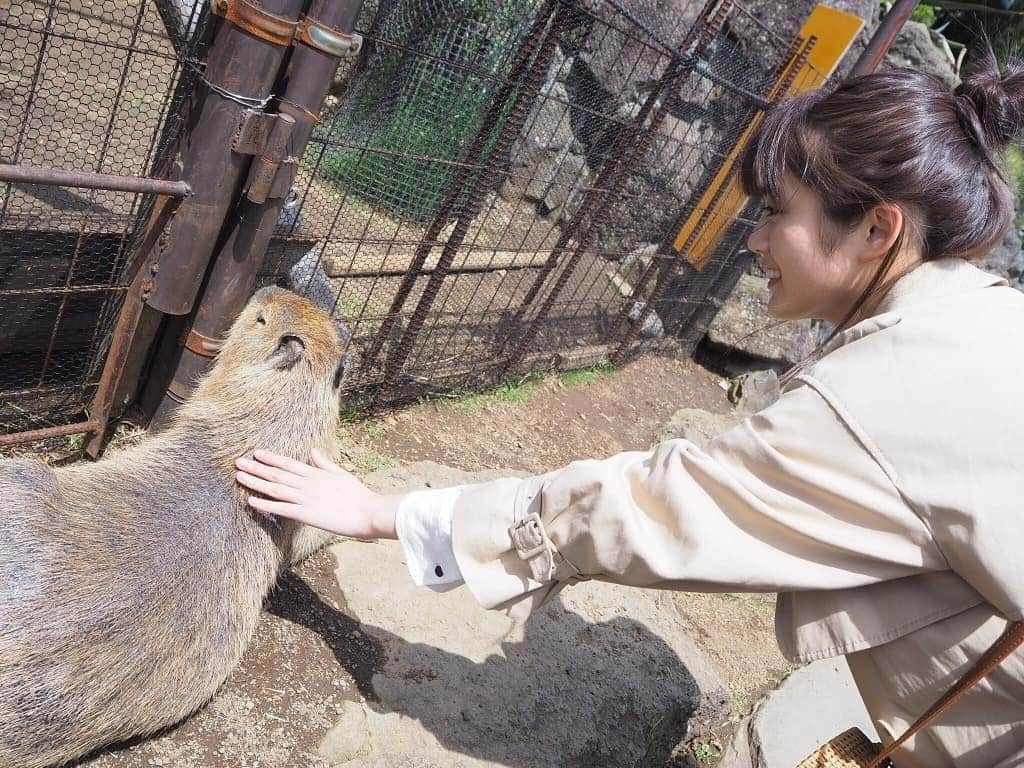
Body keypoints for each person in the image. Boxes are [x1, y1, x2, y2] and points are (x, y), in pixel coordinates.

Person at [235, 56, 1024, 767]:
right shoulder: (983, 324)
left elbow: (648, 509)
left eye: (776, 210)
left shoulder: (884, 398)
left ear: (877, 228)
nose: (754, 241)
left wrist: (386, 514)